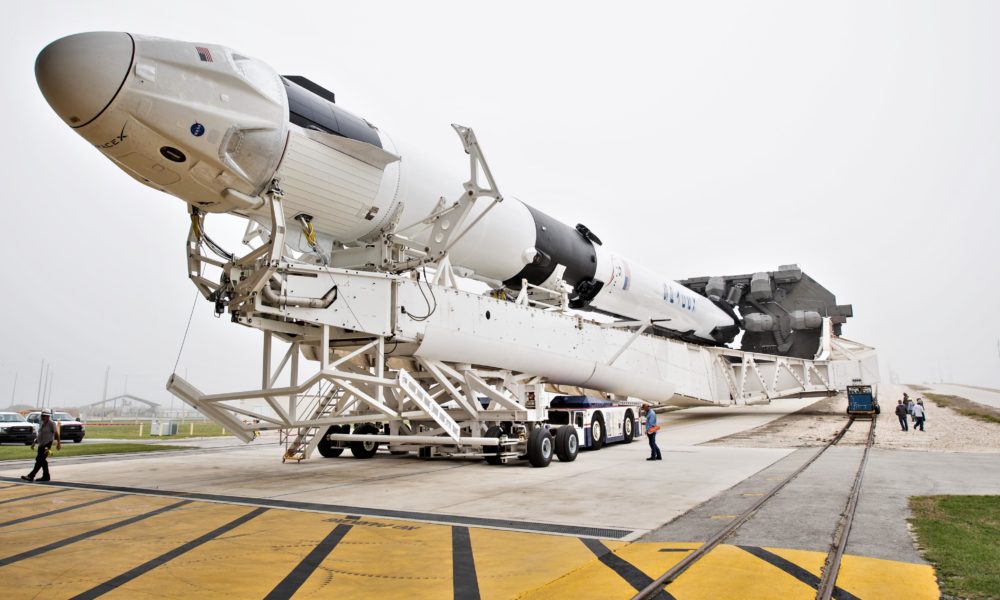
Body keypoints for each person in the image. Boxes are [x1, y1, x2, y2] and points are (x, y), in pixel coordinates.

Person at [22, 410, 60, 482]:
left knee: (39, 459)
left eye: (44, 416)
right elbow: (40, 434)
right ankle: (46, 476)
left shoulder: (52, 423)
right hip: (41, 444)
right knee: (42, 460)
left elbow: (56, 433)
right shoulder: (41, 422)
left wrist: (58, 443)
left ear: (48, 416)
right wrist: (34, 442)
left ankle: (31, 476)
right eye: (42, 415)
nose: (42, 417)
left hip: (47, 444)